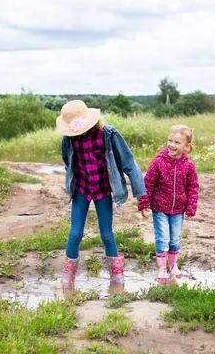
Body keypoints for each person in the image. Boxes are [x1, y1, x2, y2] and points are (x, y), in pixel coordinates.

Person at [57, 100, 146, 294]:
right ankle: (67, 281)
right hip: (81, 188)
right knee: (75, 233)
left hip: (103, 188)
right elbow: (68, 161)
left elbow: (129, 163)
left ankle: (117, 280)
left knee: (106, 234)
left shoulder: (108, 134)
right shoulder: (68, 139)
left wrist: (141, 195)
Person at [137, 125, 199, 282]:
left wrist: (191, 206)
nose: (172, 145)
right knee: (163, 237)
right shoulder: (158, 162)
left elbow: (192, 187)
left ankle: (173, 265)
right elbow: (148, 184)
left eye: (177, 142)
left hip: (178, 209)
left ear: (187, 146)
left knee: (175, 239)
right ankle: (161, 268)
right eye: (170, 140)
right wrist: (144, 204)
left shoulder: (189, 166)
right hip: (159, 208)